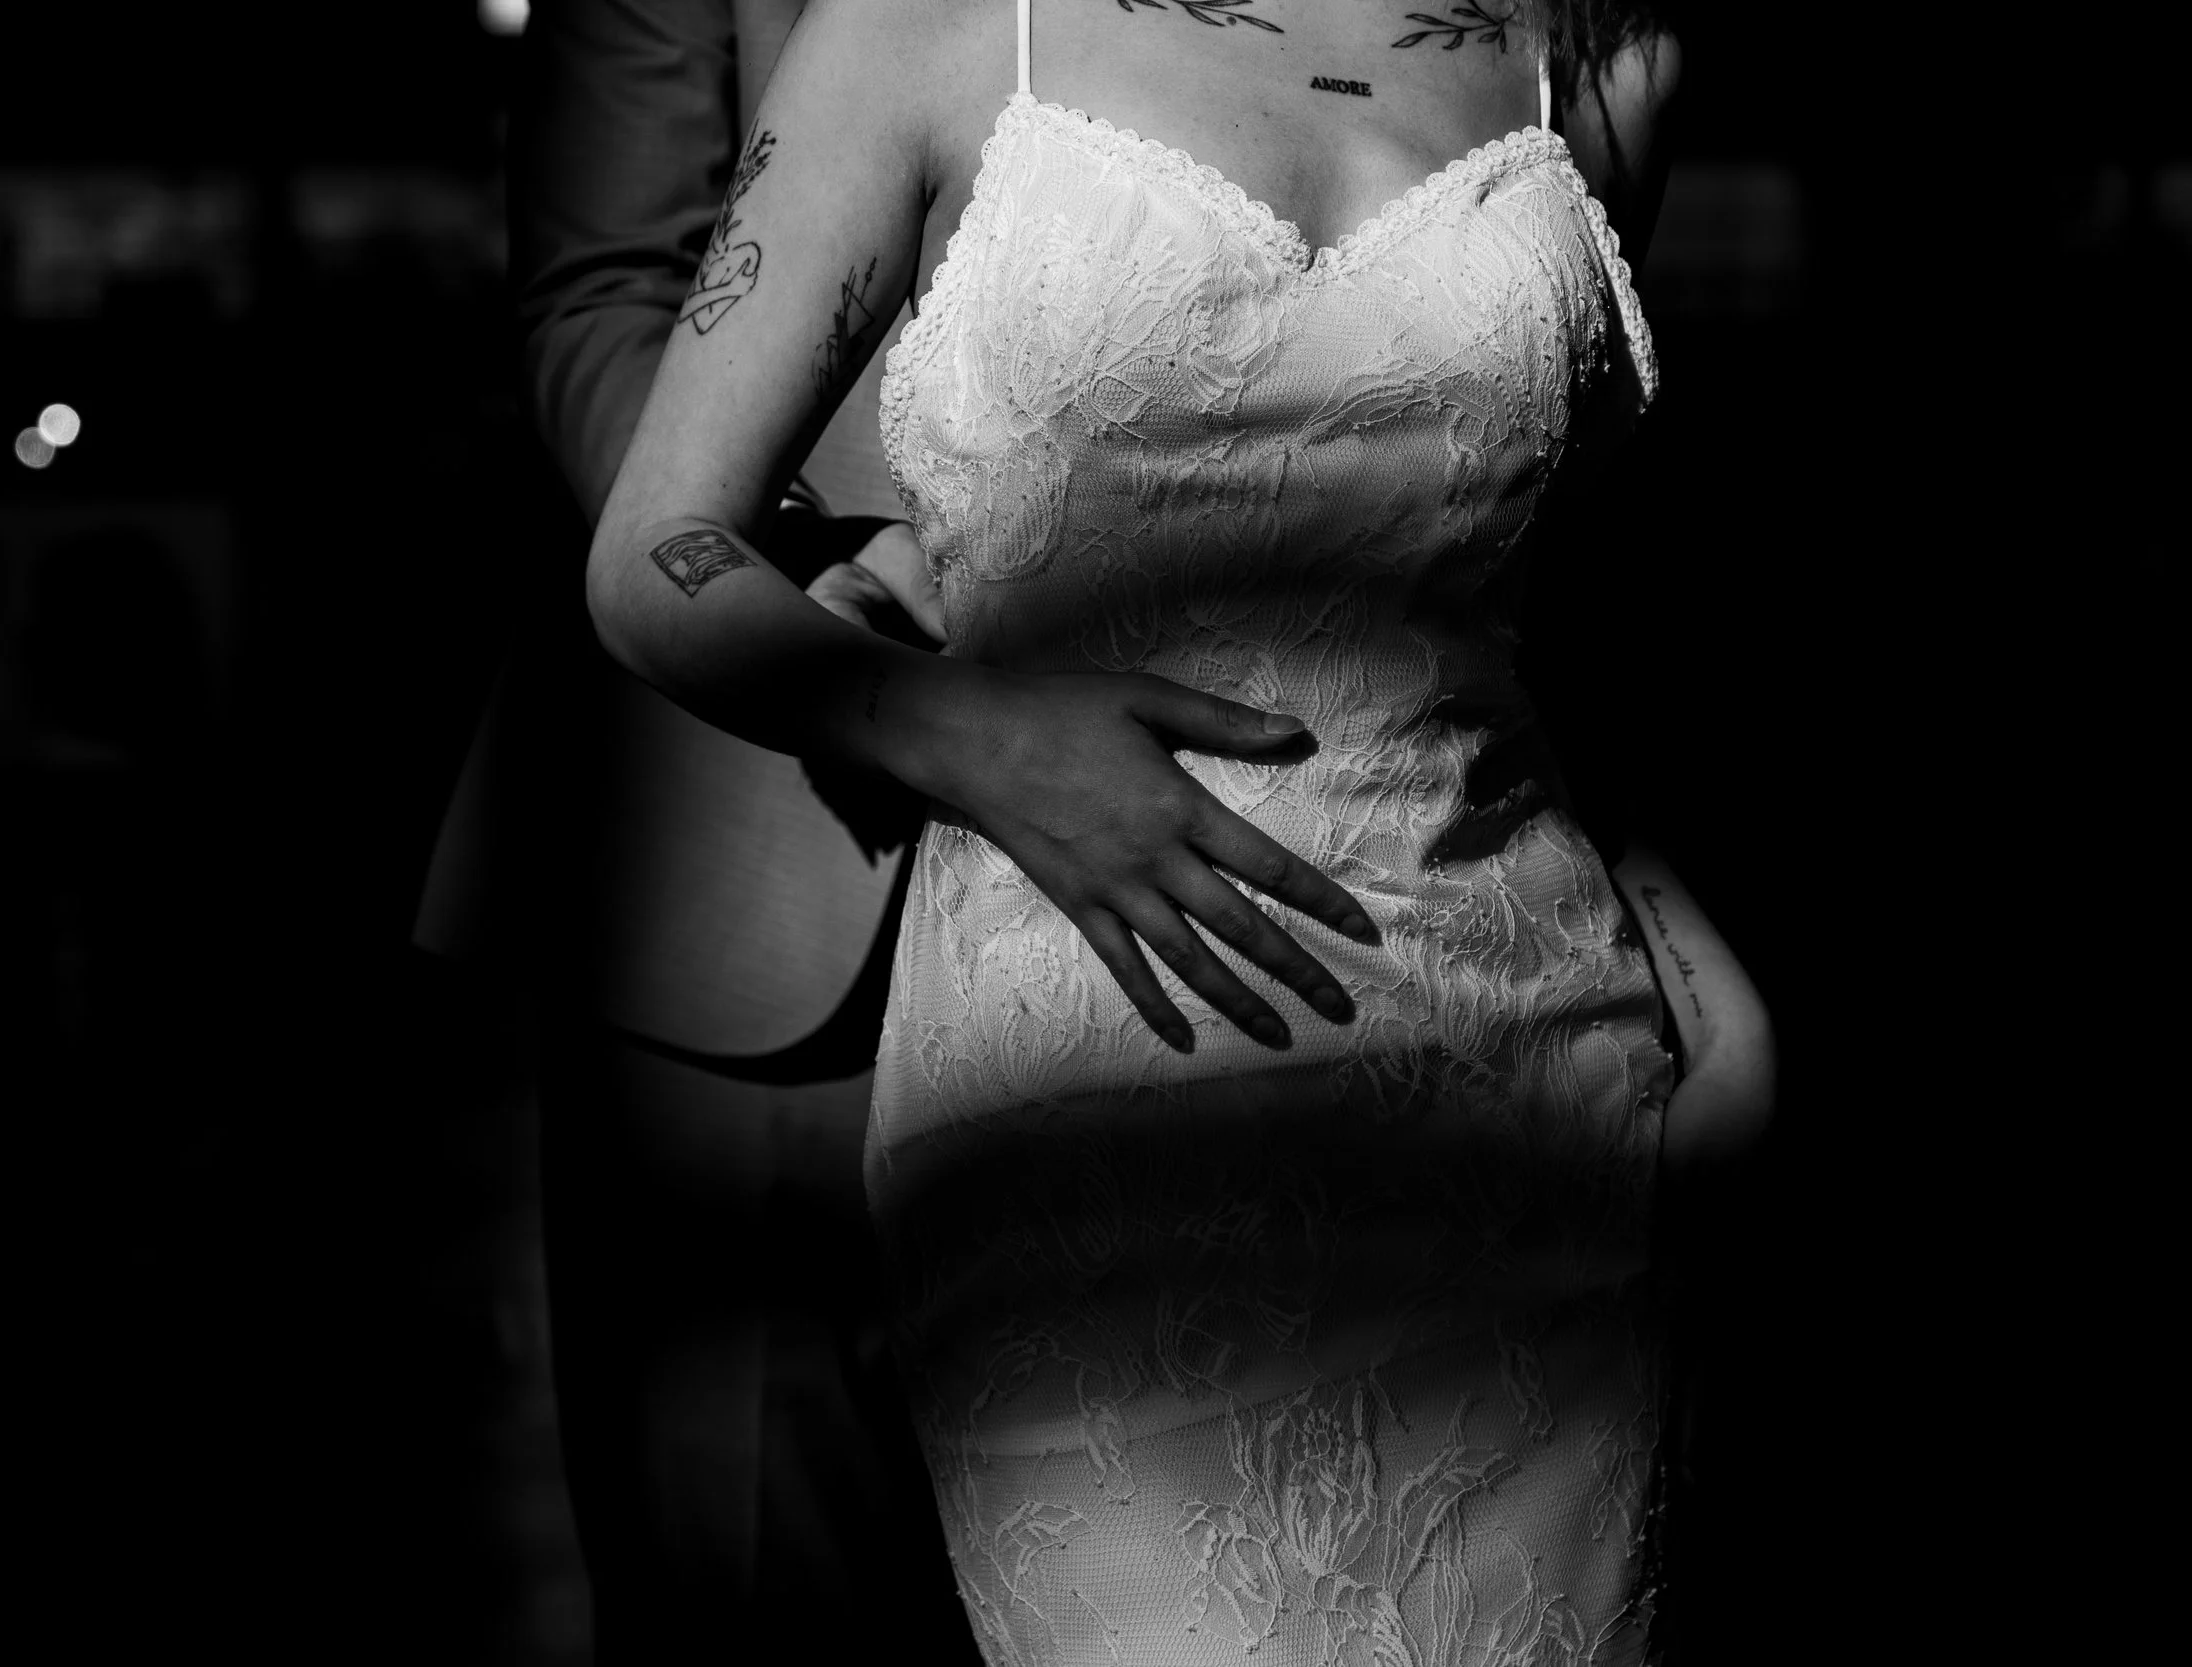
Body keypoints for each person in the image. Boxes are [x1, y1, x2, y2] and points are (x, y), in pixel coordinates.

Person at [584, 0, 1775, 1659]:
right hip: (1083, 1105)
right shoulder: (929, 23)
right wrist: (969, 733)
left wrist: (1718, 998)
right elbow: (654, 555)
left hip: (1534, 1093)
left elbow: (1554, 620)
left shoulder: (1594, 53)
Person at [416, 1, 977, 1660]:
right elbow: (604, 297)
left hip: (1233, 814)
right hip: (778, 845)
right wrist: (800, 598)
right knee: (747, 1581)